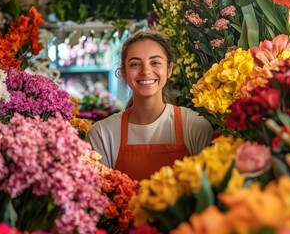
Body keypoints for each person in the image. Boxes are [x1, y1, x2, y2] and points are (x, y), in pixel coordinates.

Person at [86, 29, 213, 181]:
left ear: (169, 69)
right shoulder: (101, 134)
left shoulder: (194, 127)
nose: (146, 71)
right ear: (124, 73)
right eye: (135, 64)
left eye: (155, 62)